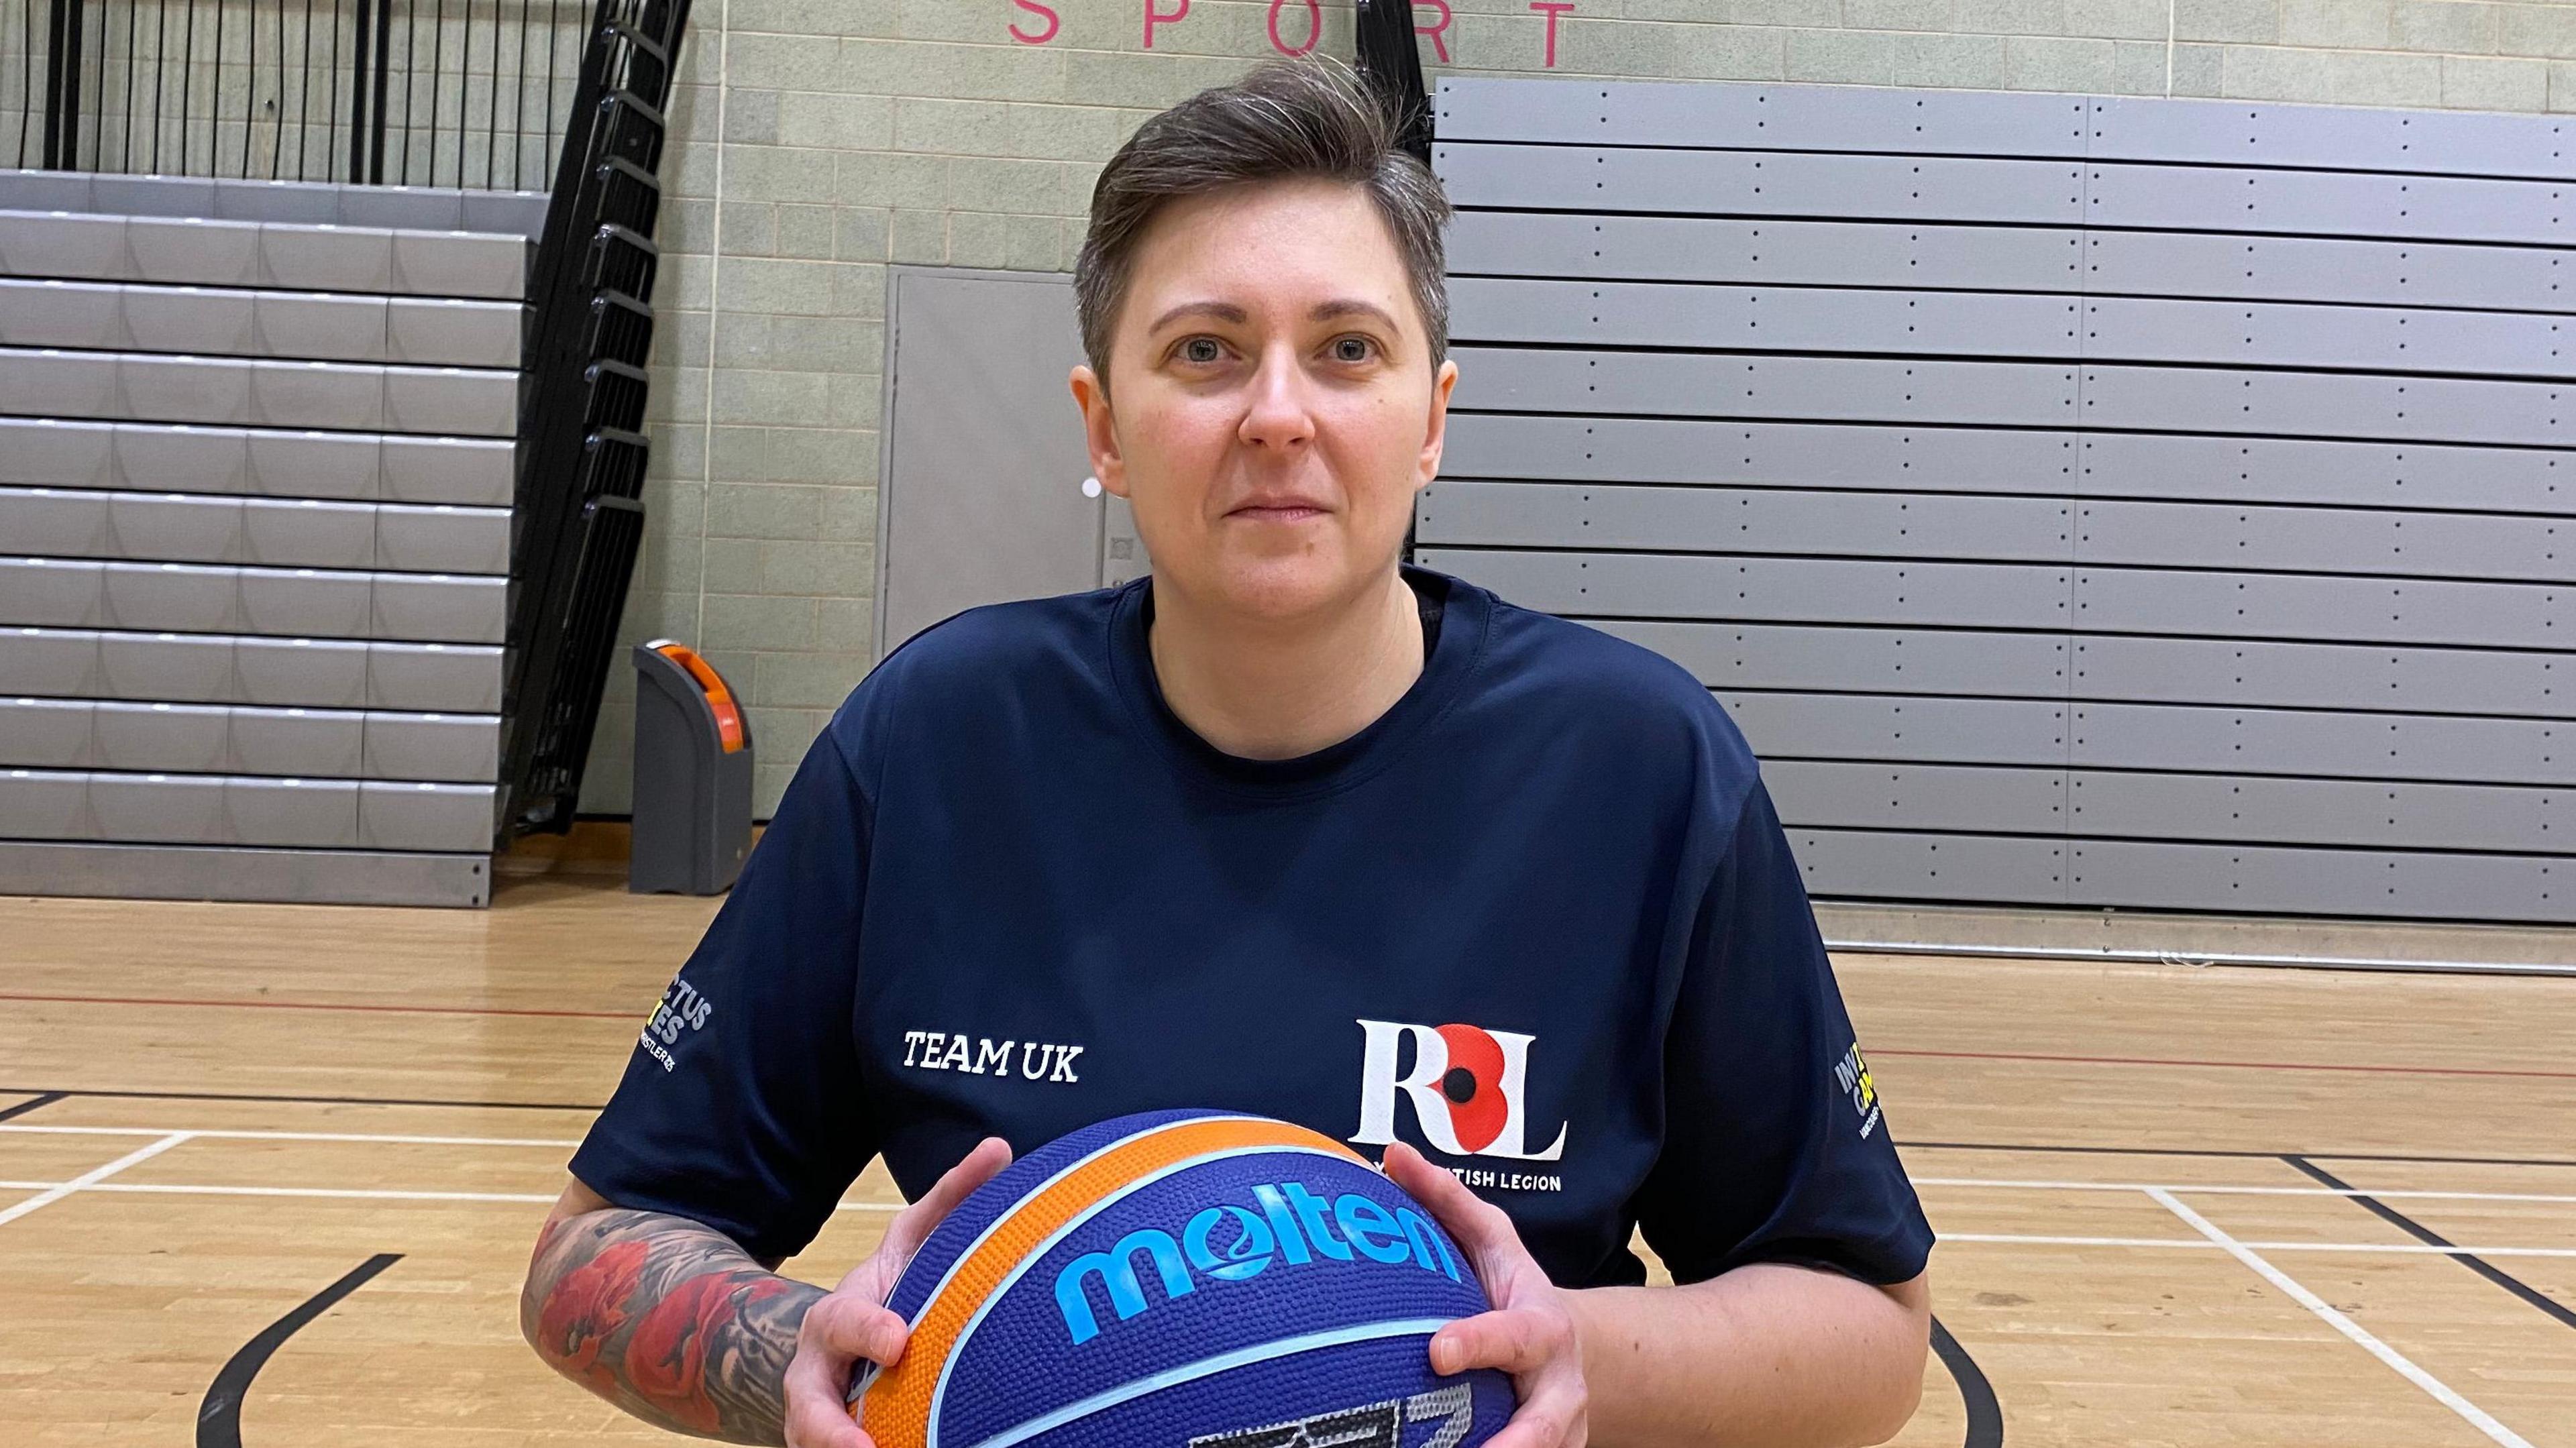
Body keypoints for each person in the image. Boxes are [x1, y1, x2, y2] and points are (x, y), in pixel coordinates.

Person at [523, 55, 1933, 1448]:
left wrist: (1575, 1353)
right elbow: (589, 1256)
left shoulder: (1639, 768)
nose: (1277, 413)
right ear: (1106, 430)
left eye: (1346, 349)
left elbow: (1870, 1332)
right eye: (1204, 350)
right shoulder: (938, 742)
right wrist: (792, 1360)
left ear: (1432, 419)